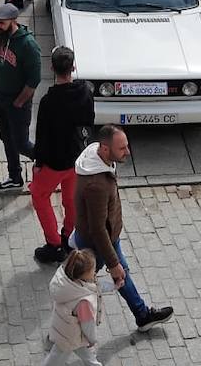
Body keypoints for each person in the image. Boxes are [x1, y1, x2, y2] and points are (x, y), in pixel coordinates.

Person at [72, 125, 175, 333]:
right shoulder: (97, 186)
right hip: (99, 243)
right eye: (122, 149)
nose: (128, 152)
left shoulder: (99, 159)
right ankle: (63, 331)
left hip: (106, 237)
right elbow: (97, 229)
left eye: (126, 146)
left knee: (113, 277)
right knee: (79, 287)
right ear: (105, 149)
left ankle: (142, 315)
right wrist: (113, 262)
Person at [31, 45, 94, 265]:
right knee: (71, 199)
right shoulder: (85, 92)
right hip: (77, 158)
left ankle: (54, 243)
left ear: (51, 68)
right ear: (73, 67)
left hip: (53, 163)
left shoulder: (49, 101)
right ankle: (68, 236)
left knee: (39, 196)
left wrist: (39, 162)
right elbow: (89, 122)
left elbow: (42, 135)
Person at [0, 2, 40, 193]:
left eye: (1, 23)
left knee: (22, 144)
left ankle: (47, 164)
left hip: (18, 104)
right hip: (0, 100)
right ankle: (15, 177)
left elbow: (34, 80)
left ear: (13, 21)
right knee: (7, 140)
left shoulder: (28, 45)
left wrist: (19, 102)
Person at [41, 249, 104, 366]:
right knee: (55, 358)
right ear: (84, 275)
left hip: (65, 327)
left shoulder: (66, 281)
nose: (95, 272)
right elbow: (88, 325)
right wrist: (92, 339)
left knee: (88, 357)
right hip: (70, 337)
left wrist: (113, 286)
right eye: (93, 270)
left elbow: (96, 287)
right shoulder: (83, 302)